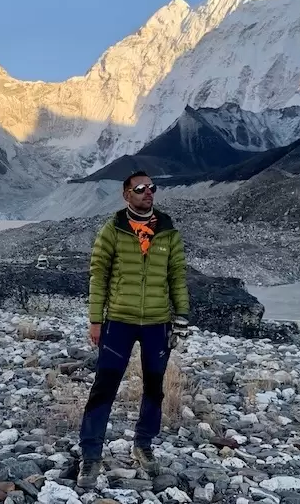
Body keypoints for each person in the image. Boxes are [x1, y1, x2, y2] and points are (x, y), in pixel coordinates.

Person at [76, 170, 191, 488]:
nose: (147, 192)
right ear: (126, 195)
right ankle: (91, 456)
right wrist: (95, 319)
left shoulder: (169, 232)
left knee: (155, 388)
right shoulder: (112, 231)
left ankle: (143, 445)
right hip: (119, 322)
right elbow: (97, 275)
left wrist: (181, 317)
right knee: (104, 387)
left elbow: (177, 277)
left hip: (157, 322)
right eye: (140, 188)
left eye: (151, 188)